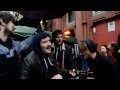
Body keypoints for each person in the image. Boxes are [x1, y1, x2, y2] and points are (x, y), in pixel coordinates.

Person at [0, 12, 40, 79]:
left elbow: (24, 44)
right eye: (12, 23)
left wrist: (36, 34)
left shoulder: (14, 45)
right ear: (2, 21)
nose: (15, 27)